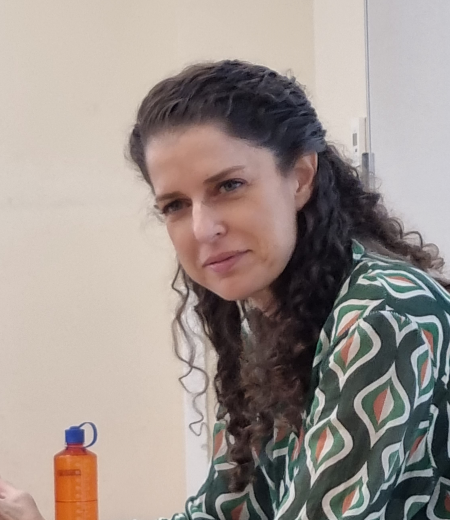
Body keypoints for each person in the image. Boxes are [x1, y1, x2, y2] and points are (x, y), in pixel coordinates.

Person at [2, 59, 450, 520]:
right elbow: (224, 511)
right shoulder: (272, 322)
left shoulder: (384, 313)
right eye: (175, 205)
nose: (202, 228)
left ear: (300, 177)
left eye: (229, 186)